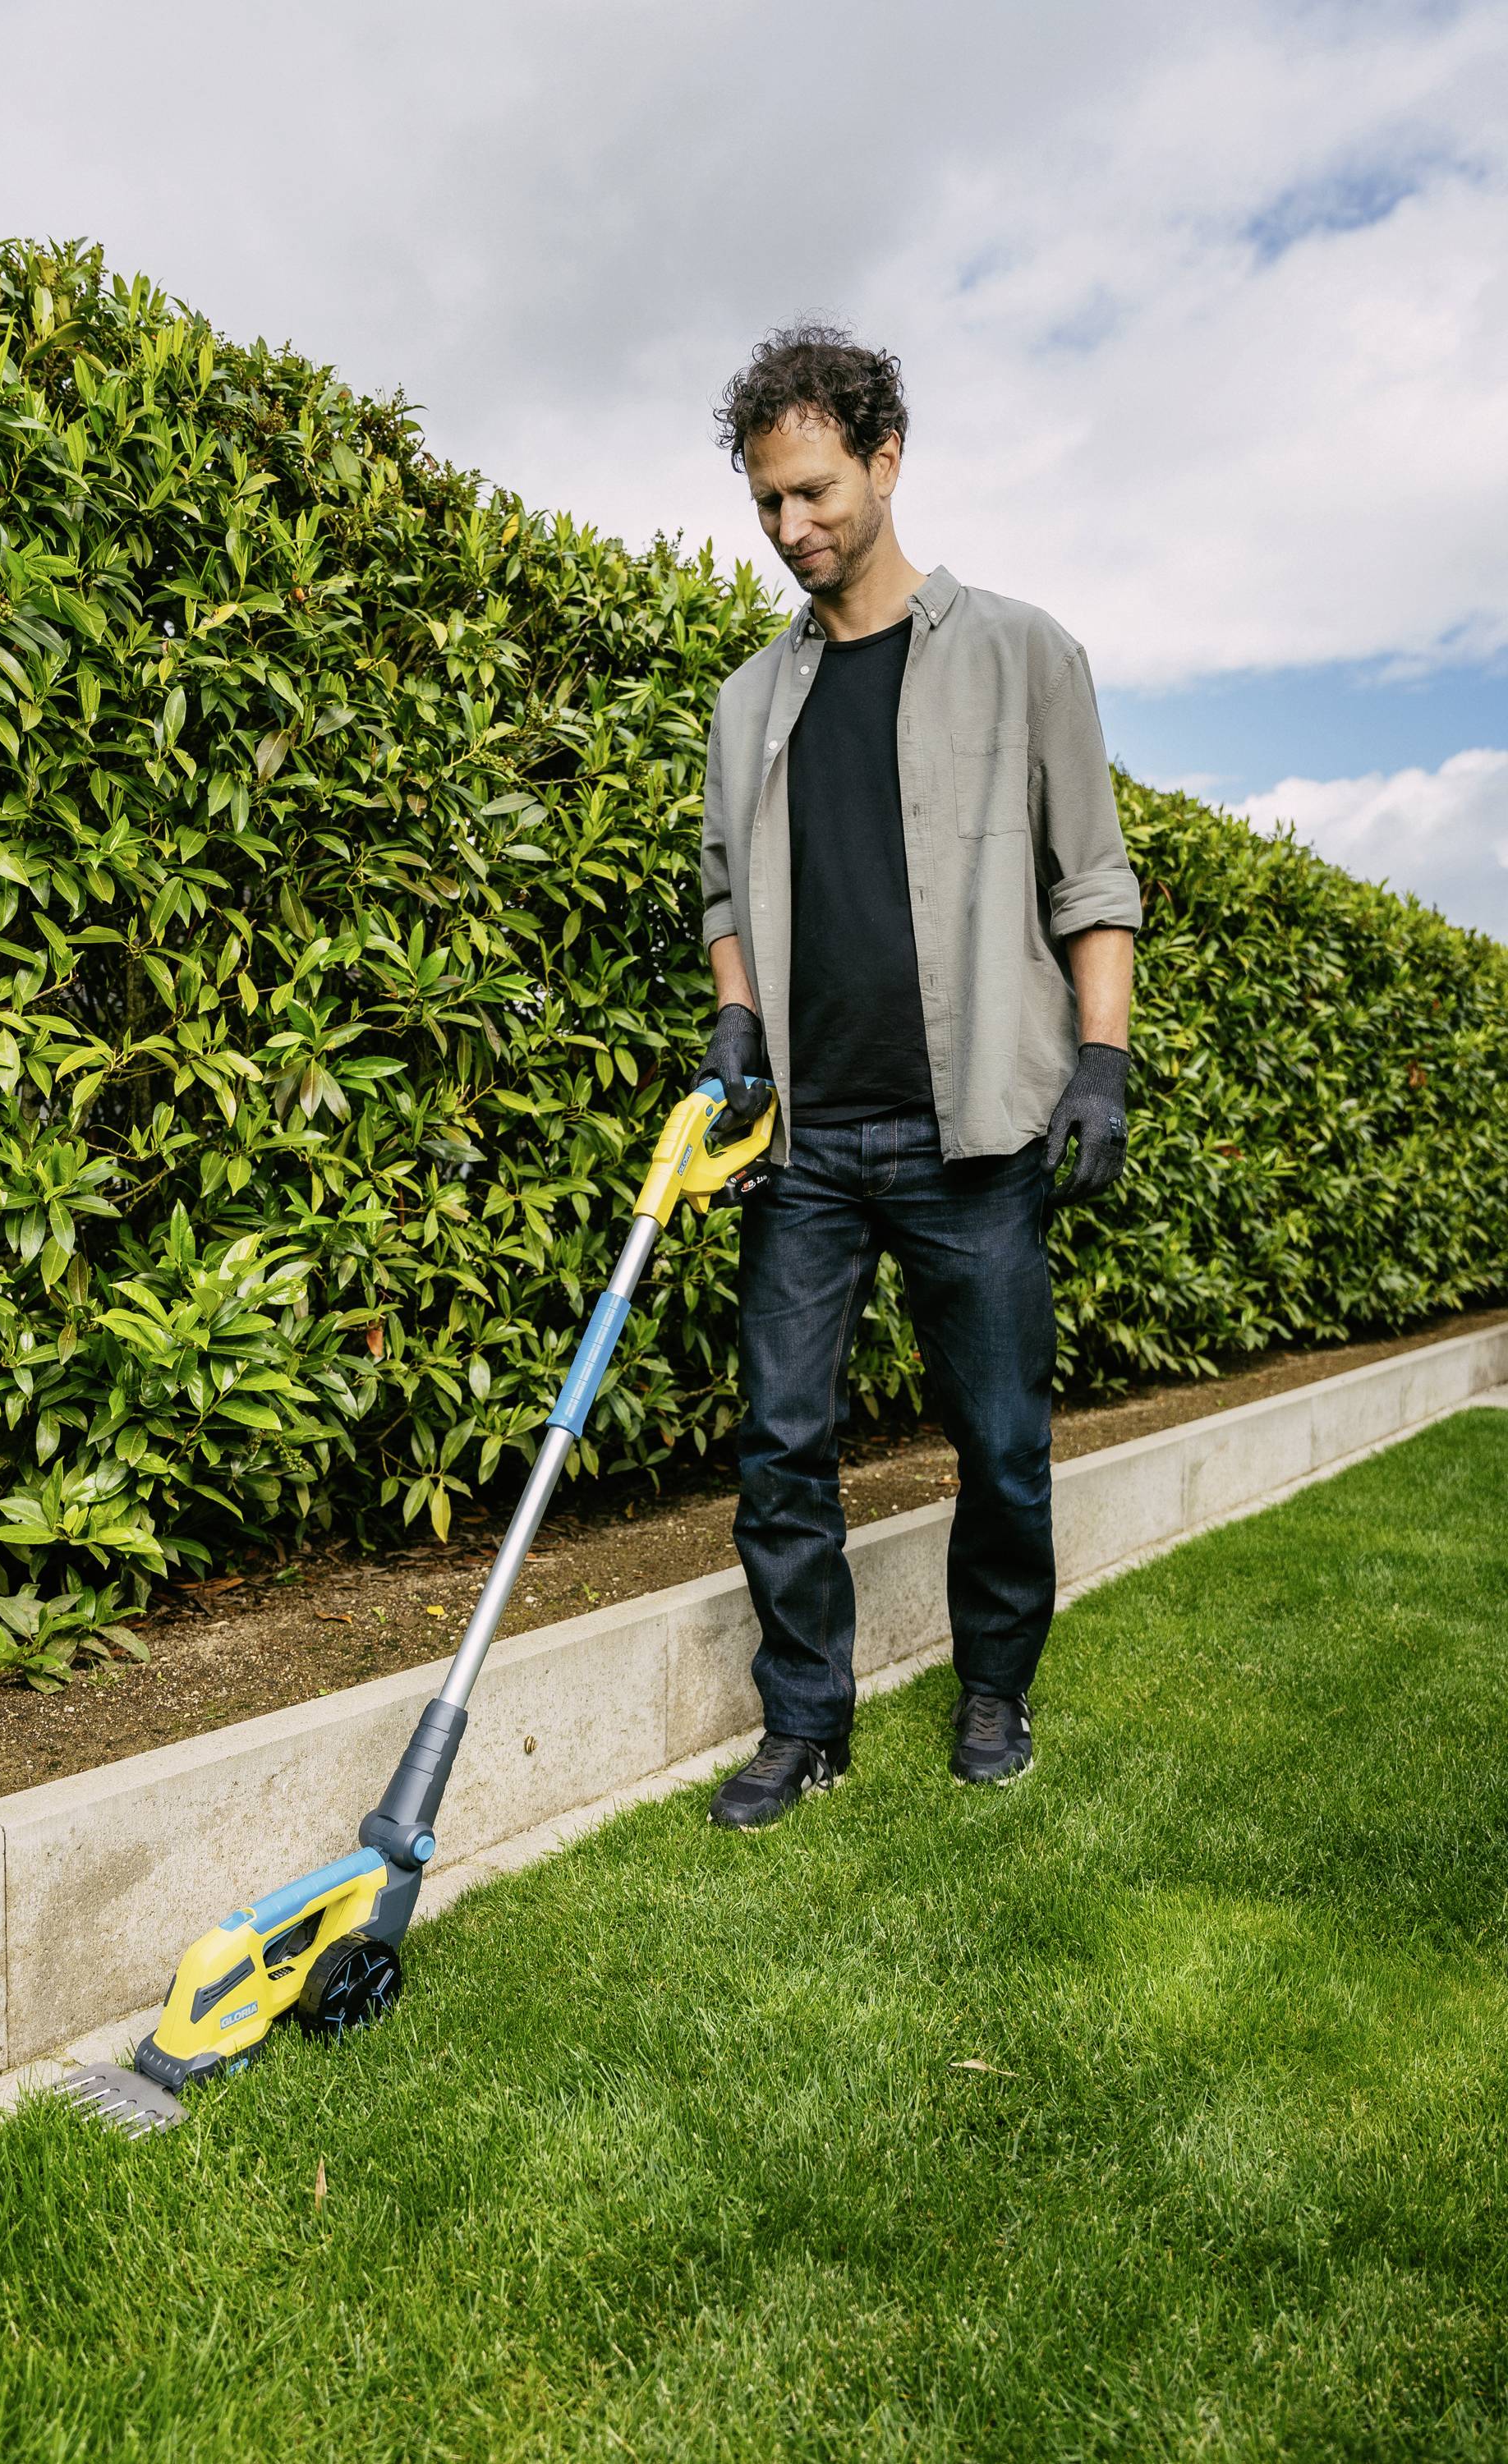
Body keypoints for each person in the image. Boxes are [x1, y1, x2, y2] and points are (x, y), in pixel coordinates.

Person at [697, 324, 1141, 1830]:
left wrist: (1101, 1061)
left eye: (814, 491)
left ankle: (995, 1686)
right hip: (810, 1143)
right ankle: (805, 1721)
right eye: (768, 503)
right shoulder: (751, 700)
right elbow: (724, 900)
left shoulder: (1023, 653)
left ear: (888, 462)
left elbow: (1092, 882)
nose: (791, 528)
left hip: (979, 1130)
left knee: (1005, 1445)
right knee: (779, 1445)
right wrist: (738, 1024)